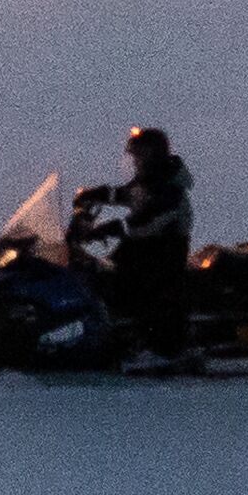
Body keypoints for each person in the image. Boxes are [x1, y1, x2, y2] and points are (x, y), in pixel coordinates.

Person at [77, 126, 195, 358]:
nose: (135, 161)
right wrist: (92, 195)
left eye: (139, 155)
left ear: (153, 155)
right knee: (99, 272)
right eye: (134, 156)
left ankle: (154, 346)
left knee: (137, 286)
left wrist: (107, 229)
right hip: (142, 251)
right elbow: (123, 194)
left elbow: (146, 223)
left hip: (163, 256)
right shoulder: (148, 182)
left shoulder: (169, 189)